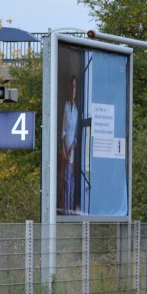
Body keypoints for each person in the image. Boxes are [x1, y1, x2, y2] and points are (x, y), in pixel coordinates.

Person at [60, 76, 80, 214]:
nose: (73, 90)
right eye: (71, 87)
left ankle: (71, 208)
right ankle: (65, 209)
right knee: (65, 179)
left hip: (72, 149)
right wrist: (64, 149)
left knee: (71, 180)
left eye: (75, 87)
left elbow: (77, 133)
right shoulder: (66, 106)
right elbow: (63, 130)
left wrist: (73, 146)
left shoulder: (77, 110)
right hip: (65, 148)